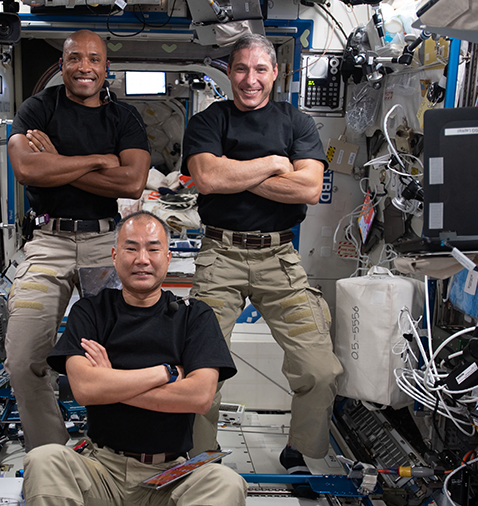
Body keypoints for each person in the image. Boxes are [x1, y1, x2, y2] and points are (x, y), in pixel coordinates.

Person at [182, 33, 343, 471]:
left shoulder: (297, 122)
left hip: (280, 258)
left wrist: (232, 172)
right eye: (240, 69)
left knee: (320, 368)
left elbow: (309, 188)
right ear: (228, 72)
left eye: (259, 69)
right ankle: (199, 458)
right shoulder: (208, 122)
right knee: (201, 366)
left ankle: (303, 453)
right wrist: (275, 163)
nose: (249, 79)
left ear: (275, 73)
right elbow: (208, 179)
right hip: (220, 255)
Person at [22, 211, 246, 506]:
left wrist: (110, 383)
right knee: (44, 459)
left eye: (153, 249)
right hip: (100, 469)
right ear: (115, 256)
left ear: (167, 257)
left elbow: (199, 396)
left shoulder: (196, 316)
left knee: (226, 483)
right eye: (131, 248)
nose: (142, 259)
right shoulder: (90, 312)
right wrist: (166, 372)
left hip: (170, 476)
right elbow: (85, 389)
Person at [5, 29, 150, 451]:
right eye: (74, 59)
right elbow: (27, 170)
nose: (84, 67)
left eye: (93, 60)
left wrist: (58, 162)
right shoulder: (37, 109)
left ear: (106, 68)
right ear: (62, 65)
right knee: (23, 357)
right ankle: (51, 451)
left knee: (120, 352)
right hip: (48, 241)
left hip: (104, 241)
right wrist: (98, 162)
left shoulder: (124, 119)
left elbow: (134, 181)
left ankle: (112, 445)